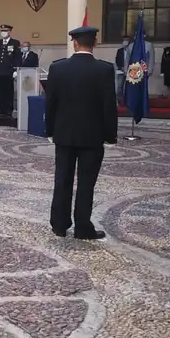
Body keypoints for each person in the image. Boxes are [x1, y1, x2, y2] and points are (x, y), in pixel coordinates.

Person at [45, 26, 116, 240]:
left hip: (64, 135)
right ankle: (83, 227)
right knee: (86, 183)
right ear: (93, 44)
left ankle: (59, 224)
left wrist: (50, 131)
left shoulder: (58, 68)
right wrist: (110, 135)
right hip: (92, 137)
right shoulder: (104, 69)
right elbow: (109, 106)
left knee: (62, 179)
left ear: (74, 43)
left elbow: (51, 104)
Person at [0, 23, 20, 117]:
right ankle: (2, 109)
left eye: (5, 31)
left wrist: (16, 70)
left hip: (9, 71)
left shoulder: (15, 43)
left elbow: (17, 57)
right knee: (0, 91)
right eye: (2, 31)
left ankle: (9, 109)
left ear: (9, 32)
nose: (3, 33)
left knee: (8, 91)